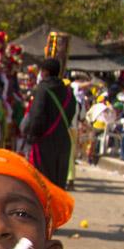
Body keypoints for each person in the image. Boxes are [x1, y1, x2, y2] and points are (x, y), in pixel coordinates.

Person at [26, 58, 77, 188]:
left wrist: (31, 136)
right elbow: (70, 115)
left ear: (45, 72)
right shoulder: (69, 93)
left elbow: (37, 115)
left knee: (42, 184)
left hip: (45, 143)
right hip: (63, 142)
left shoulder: (43, 89)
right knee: (58, 186)